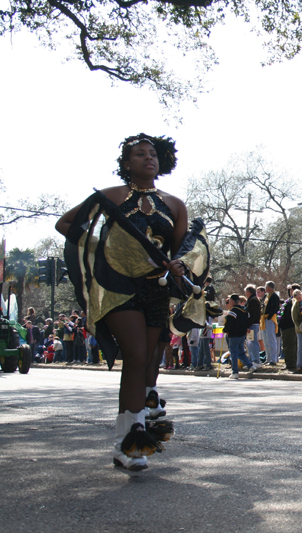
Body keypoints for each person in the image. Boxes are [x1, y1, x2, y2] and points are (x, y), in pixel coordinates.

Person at [55, 133, 185, 471]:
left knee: (148, 361)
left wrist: (180, 264)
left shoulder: (174, 204)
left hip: (155, 289)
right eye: (139, 154)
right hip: (117, 286)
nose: (148, 159)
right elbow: (65, 223)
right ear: (126, 163)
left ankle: (131, 439)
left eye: (152, 153)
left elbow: (182, 251)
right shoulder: (109, 197)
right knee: (136, 354)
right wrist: (105, 249)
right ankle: (129, 444)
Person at [224, 295, 256, 379]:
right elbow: (248, 320)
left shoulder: (233, 311)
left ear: (232, 301)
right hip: (242, 334)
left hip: (233, 334)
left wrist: (225, 329)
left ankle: (235, 372)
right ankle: (250, 366)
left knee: (233, 353)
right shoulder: (244, 310)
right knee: (241, 352)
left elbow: (229, 323)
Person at [261, 281, 281, 366]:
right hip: (264, 319)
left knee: (271, 339)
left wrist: (269, 316)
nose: (265, 288)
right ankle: (268, 358)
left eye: (266, 287)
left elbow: (275, 307)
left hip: (270, 319)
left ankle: (273, 359)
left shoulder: (274, 296)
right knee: (266, 340)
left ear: (269, 287)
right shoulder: (266, 296)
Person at [244, 284, 262, 370]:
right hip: (252, 324)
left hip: (253, 324)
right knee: (249, 343)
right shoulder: (252, 299)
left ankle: (256, 361)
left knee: (253, 343)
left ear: (249, 292)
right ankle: (251, 361)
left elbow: (252, 314)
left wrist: (248, 325)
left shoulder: (253, 300)